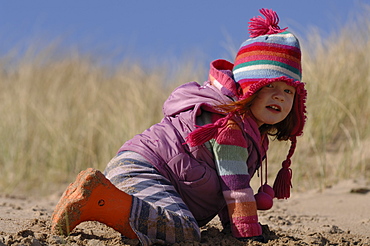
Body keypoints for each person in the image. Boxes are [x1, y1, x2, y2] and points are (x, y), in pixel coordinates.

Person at [51, 8, 307, 245]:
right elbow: (236, 189)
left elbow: (227, 187)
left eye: (288, 90)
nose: (280, 96)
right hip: (145, 169)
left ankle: (105, 203)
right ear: (247, 90)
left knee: (177, 225)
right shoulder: (230, 128)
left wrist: (234, 228)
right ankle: (98, 201)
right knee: (184, 230)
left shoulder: (251, 131)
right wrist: (249, 234)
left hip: (141, 169)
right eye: (269, 86)